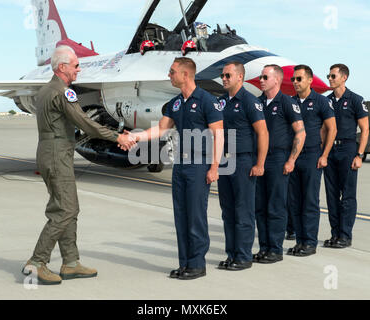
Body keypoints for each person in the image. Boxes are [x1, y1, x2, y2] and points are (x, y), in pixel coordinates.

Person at [22, 46, 134, 285]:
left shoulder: (45, 90)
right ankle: (37, 261)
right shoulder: (63, 92)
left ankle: (70, 263)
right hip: (56, 154)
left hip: (52, 151)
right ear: (62, 67)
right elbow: (85, 122)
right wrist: (118, 137)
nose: (78, 70)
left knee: (67, 207)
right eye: (75, 66)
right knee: (64, 210)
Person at [125, 57, 224, 280]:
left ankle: (197, 264)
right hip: (180, 164)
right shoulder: (176, 103)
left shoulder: (208, 101)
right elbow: (161, 129)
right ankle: (185, 263)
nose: (169, 75)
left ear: (185, 74)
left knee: (196, 215)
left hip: (199, 165)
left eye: (172, 72)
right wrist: (135, 136)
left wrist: (215, 167)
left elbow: (219, 134)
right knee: (181, 215)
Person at [217, 61, 268, 270]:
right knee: (227, 210)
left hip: (243, 161)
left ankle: (244, 256)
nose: (224, 79)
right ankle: (232, 254)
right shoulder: (219, 102)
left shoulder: (249, 101)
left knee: (243, 210)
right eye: (223, 75)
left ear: (240, 77)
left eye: (228, 75)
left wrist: (260, 163)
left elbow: (263, 132)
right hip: (224, 161)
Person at [253, 64, 306, 264]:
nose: (261, 80)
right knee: (260, 206)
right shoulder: (257, 103)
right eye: (261, 76)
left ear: (277, 80)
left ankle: (275, 250)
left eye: (265, 77)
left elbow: (301, 132)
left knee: (275, 206)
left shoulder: (286, 103)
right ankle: (264, 247)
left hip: (277, 158)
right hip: (259, 159)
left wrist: (291, 160)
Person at [287, 65, 337, 256]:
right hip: (293, 157)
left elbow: (332, 128)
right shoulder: (290, 102)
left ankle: (309, 242)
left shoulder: (321, 102)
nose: (295, 83)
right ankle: (300, 241)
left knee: (309, 201)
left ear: (309, 80)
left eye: (299, 79)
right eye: (293, 79)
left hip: (311, 156)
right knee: (294, 201)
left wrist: (324, 155)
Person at [323, 63, 369, 248]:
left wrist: (359, 155)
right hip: (330, 150)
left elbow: (365, 129)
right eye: (329, 75)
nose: (330, 79)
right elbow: (323, 129)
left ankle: (345, 235)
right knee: (331, 194)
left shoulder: (356, 100)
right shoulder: (326, 101)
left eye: (333, 76)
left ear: (344, 77)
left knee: (347, 195)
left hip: (348, 149)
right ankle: (335, 234)